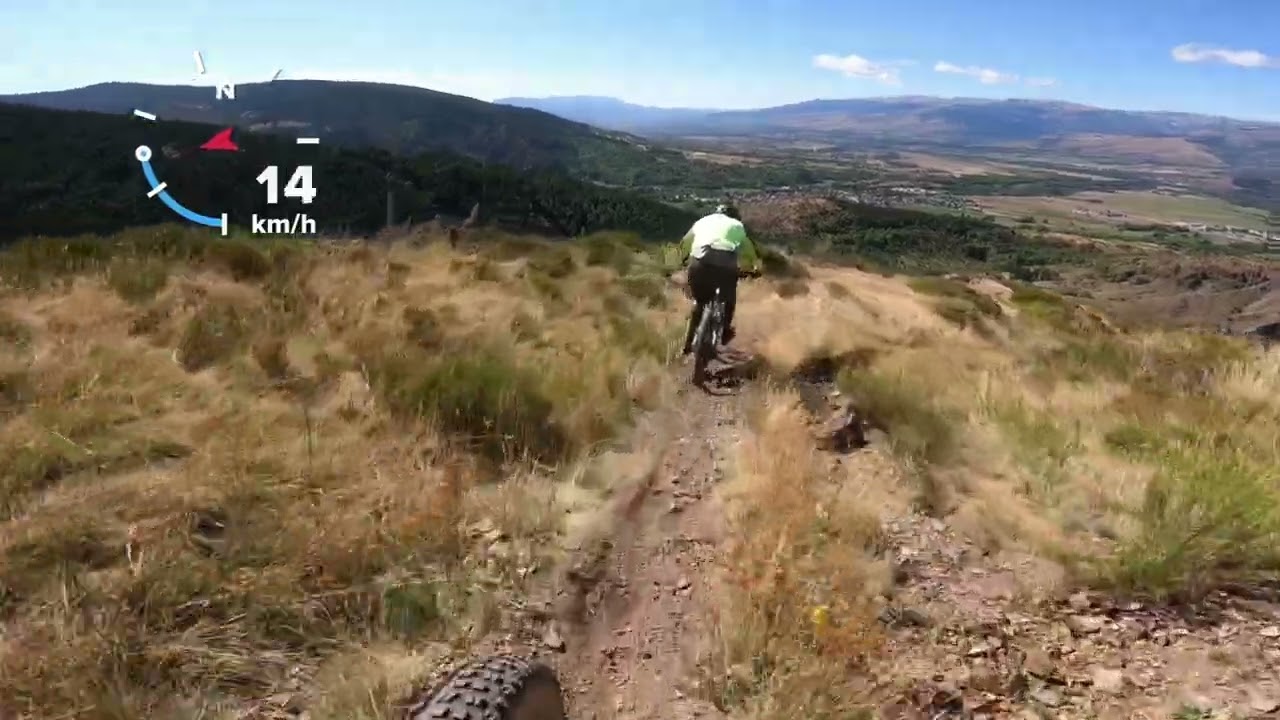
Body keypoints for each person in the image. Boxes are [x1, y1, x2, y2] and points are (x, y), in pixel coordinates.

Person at [677, 202, 761, 354]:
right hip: (725, 264)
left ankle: (687, 344)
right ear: (734, 216)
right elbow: (748, 250)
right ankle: (725, 331)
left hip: (699, 262)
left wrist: (682, 260)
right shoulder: (737, 225)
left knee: (699, 302)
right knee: (728, 296)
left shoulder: (702, 221)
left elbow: (684, 243)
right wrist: (754, 268)